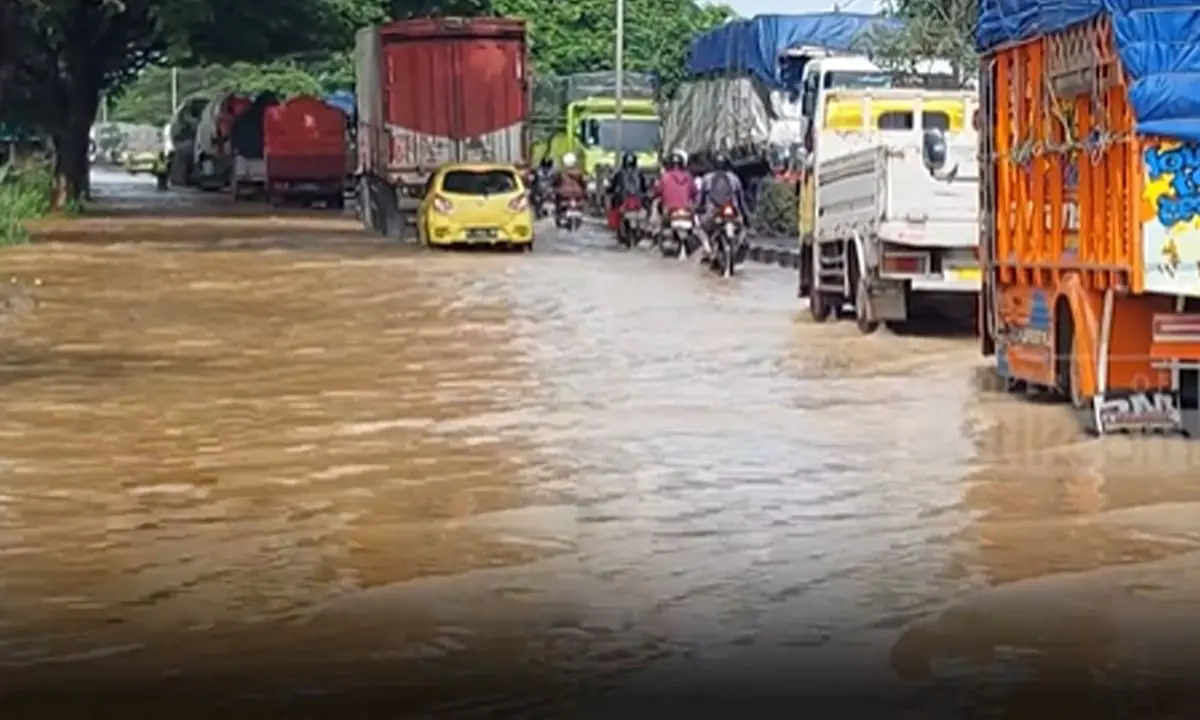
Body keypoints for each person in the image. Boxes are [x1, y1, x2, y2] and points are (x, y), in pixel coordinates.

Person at [696, 152, 747, 257]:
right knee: (742, 229)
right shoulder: (734, 178)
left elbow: (700, 199)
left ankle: (707, 248)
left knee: (699, 228)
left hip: (713, 212)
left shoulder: (707, 178)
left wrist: (697, 208)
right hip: (733, 213)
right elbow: (741, 200)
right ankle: (735, 248)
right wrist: (745, 214)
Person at [651, 150, 696, 235]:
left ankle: (656, 229)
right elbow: (694, 192)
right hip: (686, 210)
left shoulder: (665, 177)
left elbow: (658, 191)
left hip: (669, 210)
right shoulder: (689, 177)